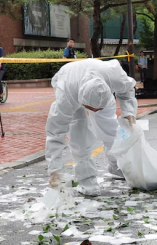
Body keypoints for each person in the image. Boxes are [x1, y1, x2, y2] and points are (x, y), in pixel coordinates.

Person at [46, 59, 137, 196]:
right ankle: (88, 182)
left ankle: (117, 166)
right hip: (70, 84)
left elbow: (128, 89)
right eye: (91, 108)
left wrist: (129, 112)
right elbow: (55, 133)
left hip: (97, 84)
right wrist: (54, 171)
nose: (94, 111)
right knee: (79, 136)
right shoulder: (66, 96)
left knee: (110, 129)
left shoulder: (114, 75)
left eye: (98, 108)